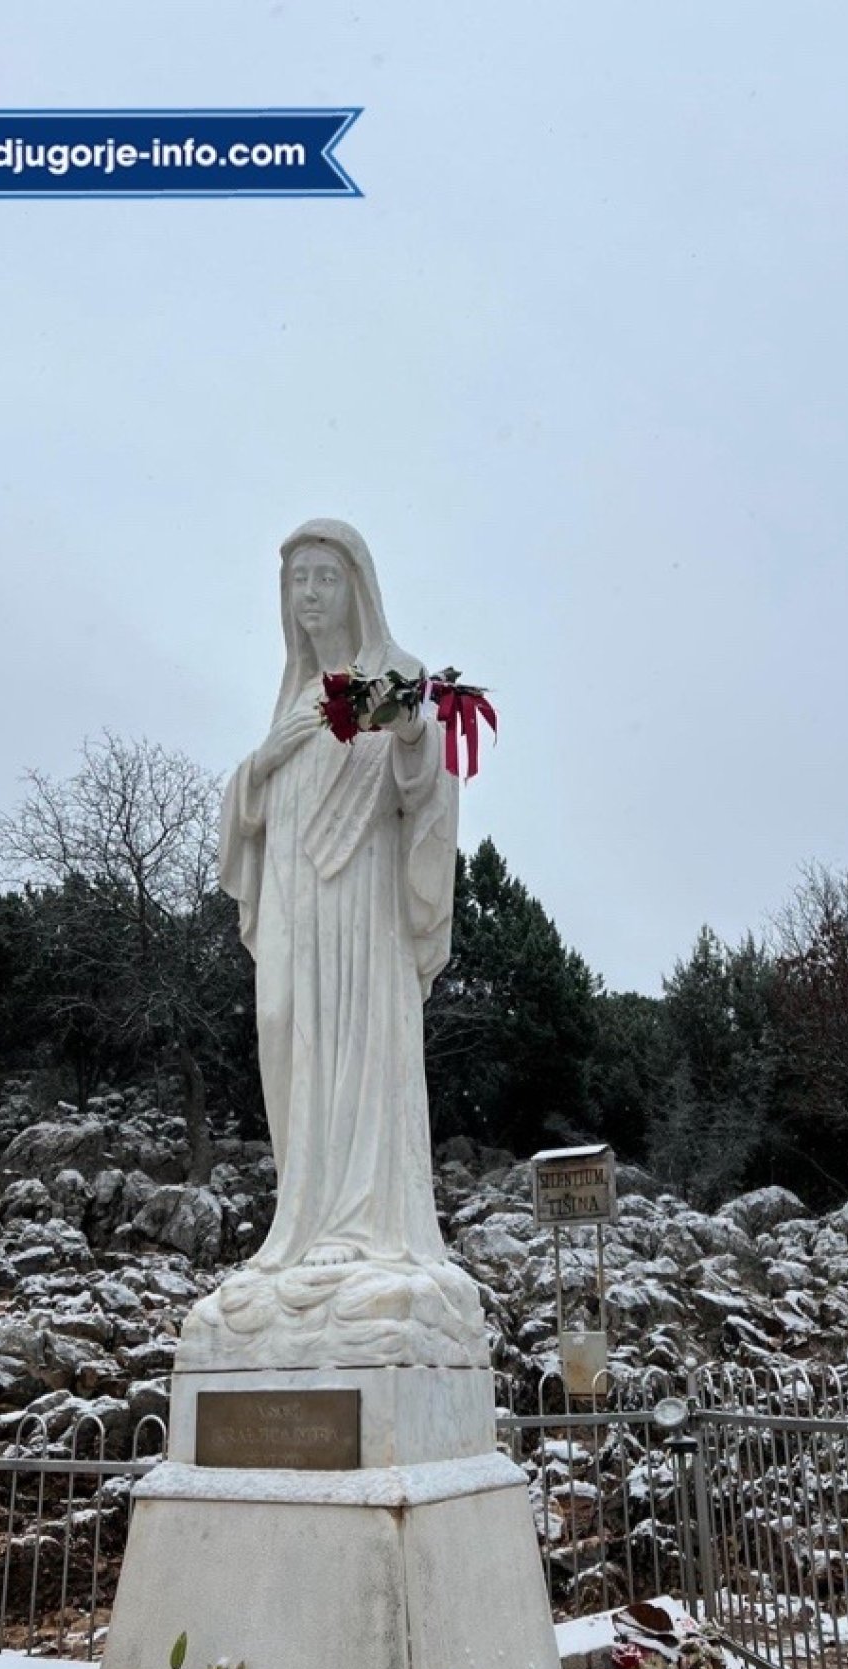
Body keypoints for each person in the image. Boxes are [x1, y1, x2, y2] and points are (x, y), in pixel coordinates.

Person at [185, 520, 487, 1367]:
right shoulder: (291, 697)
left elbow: (425, 788)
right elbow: (249, 813)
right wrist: (263, 759)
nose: (309, 594)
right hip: (293, 902)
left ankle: (359, 1225)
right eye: (297, 580)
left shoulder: (393, 675)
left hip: (360, 905)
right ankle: (302, 1217)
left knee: (353, 1043)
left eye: (324, 577)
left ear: (356, 587)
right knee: (284, 1028)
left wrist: (412, 730)